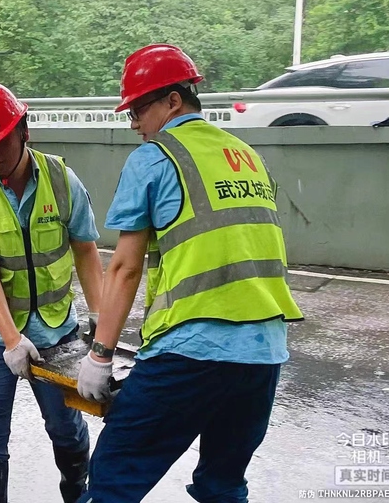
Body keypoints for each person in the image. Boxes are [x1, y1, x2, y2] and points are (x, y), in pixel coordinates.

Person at [76, 44, 304, 503]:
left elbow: (124, 268)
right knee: (223, 486)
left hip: (192, 350)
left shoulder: (155, 157)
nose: (134, 123)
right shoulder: (245, 154)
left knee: (113, 480)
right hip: (263, 353)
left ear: (173, 101)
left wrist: (100, 356)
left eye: (138, 110)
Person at [0, 82, 104, 503]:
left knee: (66, 429)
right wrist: (12, 339)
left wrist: (100, 317)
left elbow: (86, 250)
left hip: (56, 330)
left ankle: (76, 490)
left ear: (24, 130)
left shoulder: (62, 180)